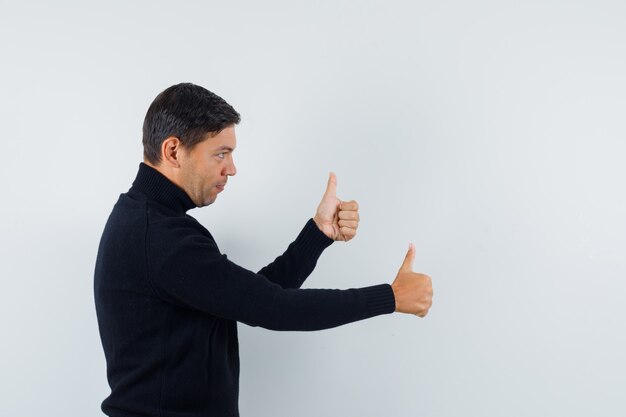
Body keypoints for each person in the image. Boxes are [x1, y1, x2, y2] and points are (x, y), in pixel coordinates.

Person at [94, 82, 433, 417]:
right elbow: (272, 308)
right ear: (172, 151)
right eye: (221, 153)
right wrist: (391, 297)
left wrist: (317, 233)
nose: (232, 168)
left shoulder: (149, 222)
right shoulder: (159, 237)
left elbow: (250, 298)